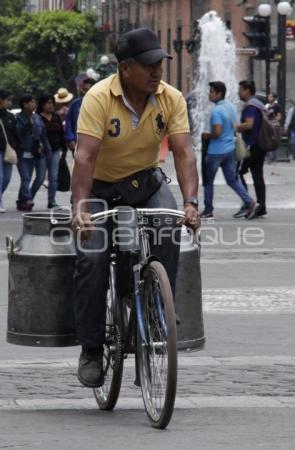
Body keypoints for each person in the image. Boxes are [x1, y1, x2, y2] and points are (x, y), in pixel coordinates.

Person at [71, 27, 200, 388]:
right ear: (125, 69)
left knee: (169, 225)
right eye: (148, 66)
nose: (157, 71)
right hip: (99, 187)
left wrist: (190, 203)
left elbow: (185, 152)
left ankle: (158, 313)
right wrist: (80, 207)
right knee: (92, 258)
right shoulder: (98, 98)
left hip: (145, 183)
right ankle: (92, 348)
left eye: (160, 64)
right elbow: (84, 156)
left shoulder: (170, 98)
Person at [200, 81, 255, 220]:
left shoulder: (216, 111)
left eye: (211, 91)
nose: (209, 94)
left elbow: (217, 132)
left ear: (219, 94)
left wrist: (207, 135)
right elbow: (235, 126)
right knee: (232, 179)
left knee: (208, 181)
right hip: (230, 149)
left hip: (215, 151)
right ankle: (249, 201)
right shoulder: (230, 107)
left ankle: (208, 210)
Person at [235, 80, 266, 219]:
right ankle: (261, 206)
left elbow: (248, 125)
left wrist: (234, 127)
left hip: (251, 145)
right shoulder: (259, 104)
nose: (238, 92)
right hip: (260, 144)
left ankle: (248, 204)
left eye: (240, 89)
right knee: (257, 175)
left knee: (237, 172)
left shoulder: (251, 106)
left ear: (247, 90)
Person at [16, 94, 51, 211]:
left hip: (38, 153)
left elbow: (43, 136)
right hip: (23, 154)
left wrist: (48, 149)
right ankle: (28, 200)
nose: (34, 104)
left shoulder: (38, 118)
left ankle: (24, 199)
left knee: (40, 178)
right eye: (31, 102)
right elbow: (18, 134)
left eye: (35, 102)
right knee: (25, 178)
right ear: (25, 104)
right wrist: (27, 124)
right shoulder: (18, 118)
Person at [37, 94, 67, 208]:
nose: (50, 105)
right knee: (40, 178)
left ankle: (52, 201)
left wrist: (64, 150)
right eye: (48, 103)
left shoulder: (56, 117)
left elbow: (61, 134)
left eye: (52, 103)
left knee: (53, 177)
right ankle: (28, 198)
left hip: (55, 151)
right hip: (42, 152)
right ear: (42, 104)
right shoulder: (37, 117)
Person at [0, 89, 20, 213]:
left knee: (6, 178)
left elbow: (15, 133)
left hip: (8, 151)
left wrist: (16, 147)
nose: (10, 103)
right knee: (0, 178)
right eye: (7, 100)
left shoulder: (10, 116)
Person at [64, 78, 96, 155]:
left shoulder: (102, 103)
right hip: (79, 143)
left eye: (87, 89)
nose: (84, 92)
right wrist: (71, 139)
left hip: (97, 142)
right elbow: (69, 123)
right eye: (83, 89)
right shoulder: (75, 104)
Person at [265, 93, 282, 163]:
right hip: (267, 125)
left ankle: (274, 157)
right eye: (268, 96)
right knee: (267, 140)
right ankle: (268, 157)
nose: (269, 98)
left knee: (274, 140)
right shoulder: (266, 106)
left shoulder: (277, 106)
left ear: (274, 98)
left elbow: (279, 116)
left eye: (270, 96)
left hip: (274, 125)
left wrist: (274, 121)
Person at [284, 95, 295, 162]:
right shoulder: (292, 110)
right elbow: (288, 119)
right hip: (293, 130)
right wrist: (286, 127)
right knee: (293, 143)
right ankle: (294, 155)